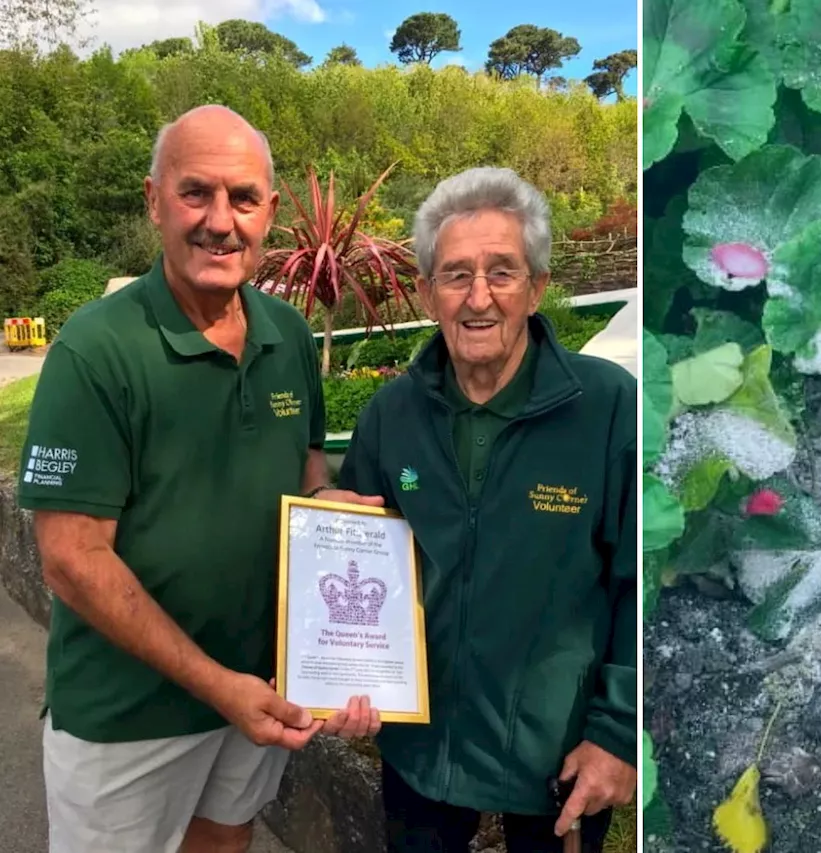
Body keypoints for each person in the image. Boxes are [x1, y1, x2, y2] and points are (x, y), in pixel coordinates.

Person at [17, 104, 379, 853]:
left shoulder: (286, 334)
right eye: (196, 193)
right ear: (154, 199)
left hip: (255, 691)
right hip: (128, 716)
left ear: (271, 212)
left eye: (243, 198)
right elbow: (71, 558)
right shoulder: (95, 351)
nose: (221, 220)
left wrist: (332, 513)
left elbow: (306, 471)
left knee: (223, 840)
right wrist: (218, 685)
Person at [332, 166, 637, 853]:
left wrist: (618, 733)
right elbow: (357, 552)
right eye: (456, 274)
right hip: (420, 749)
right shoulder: (391, 414)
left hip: (557, 759)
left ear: (537, 286)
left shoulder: (609, 408)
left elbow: (640, 586)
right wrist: (343, 678)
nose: (478, 297)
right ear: (426, 290)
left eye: (502, 272)